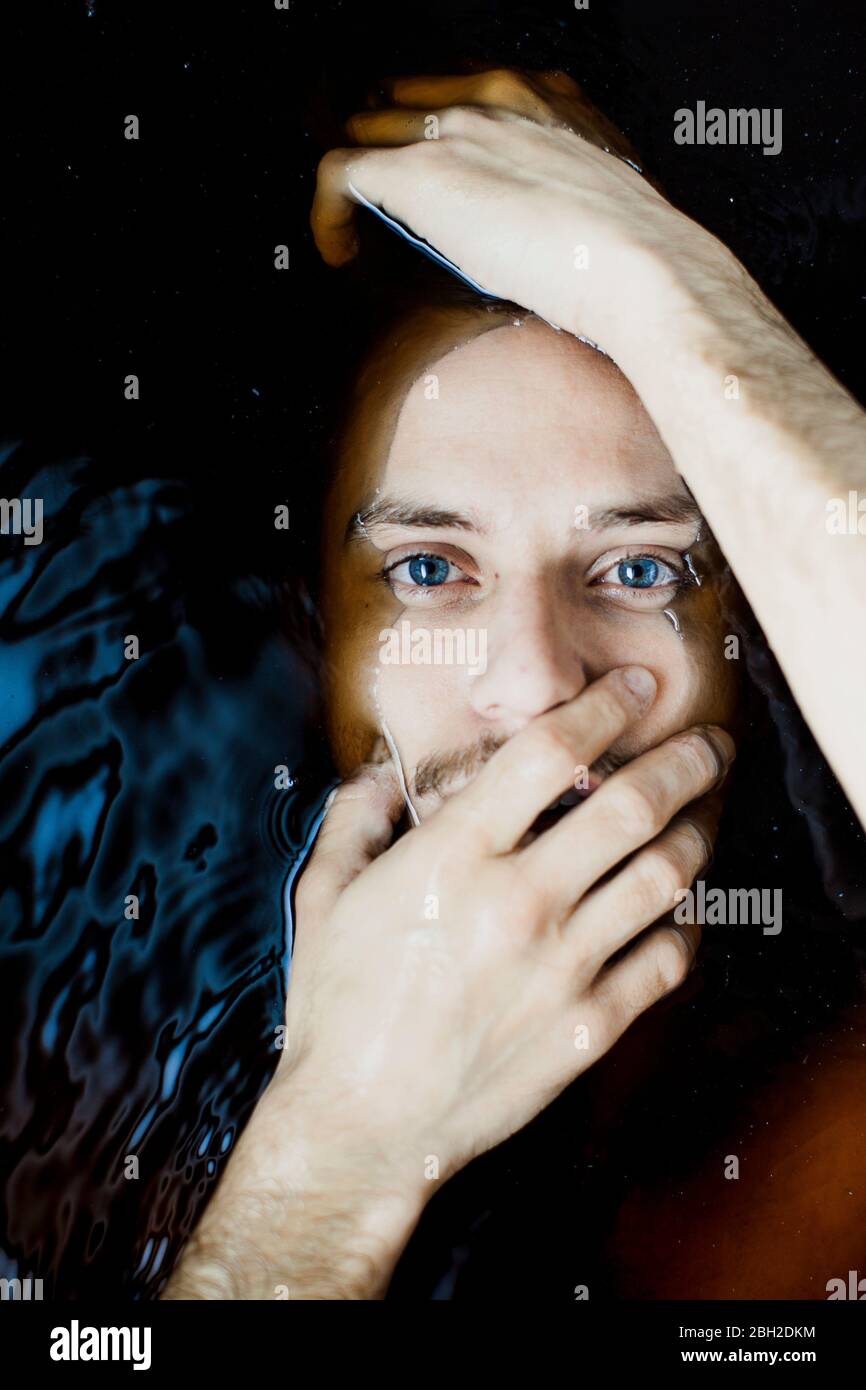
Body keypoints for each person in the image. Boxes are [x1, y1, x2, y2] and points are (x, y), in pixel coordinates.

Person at [163, 69, 866, 1300]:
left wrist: (660, 285)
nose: (537, 682)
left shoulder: (823, 1144)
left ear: (757, 651)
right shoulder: (74, 1040)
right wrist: (334, 1155)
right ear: (315, 636)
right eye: (430, 569)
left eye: (639, 567)